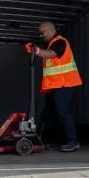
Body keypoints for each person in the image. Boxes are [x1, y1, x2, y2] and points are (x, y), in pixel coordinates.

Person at [25, 22, 82, 152]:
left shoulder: (60, 42)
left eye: (42, 32)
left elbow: (51, 54)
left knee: (62, 111)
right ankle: (54, 141)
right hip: (55, 85)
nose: (41, 36)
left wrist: (37, 51)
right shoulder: (51, 43)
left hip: (65, 83)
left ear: (50, 30)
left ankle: (72, 141)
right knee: (49, 112)